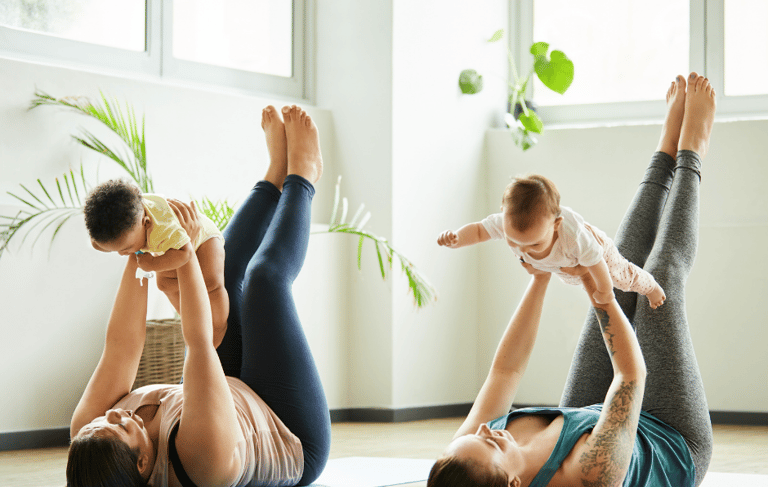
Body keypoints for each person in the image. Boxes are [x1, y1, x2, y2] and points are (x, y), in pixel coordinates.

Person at [428, 72, 715, 487]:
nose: (486, 430)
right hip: (671, 439)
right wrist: (600, 296)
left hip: (586, 413)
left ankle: (664, 150)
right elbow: (631, 375)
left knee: (616, 261)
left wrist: (541, 274)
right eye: (490, 443)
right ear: (513, 484)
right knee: (662, 275)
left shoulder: (468, 455)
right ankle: (692, 152)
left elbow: (505, 373)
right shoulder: (591, 472)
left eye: (477, 435)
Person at [66, 105, 330, 487]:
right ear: (143, 463)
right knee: (263, 282)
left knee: (224, 272)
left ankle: (274, 175)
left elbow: (122, 345)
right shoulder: (200, 461)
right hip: (287, 426)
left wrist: (139, 250)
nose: (110, 416)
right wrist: (185, 254)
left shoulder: (90, 439)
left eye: (100, 421)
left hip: (228, 387)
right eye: (119, 427)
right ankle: (303, 175)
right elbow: (198, 341)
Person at [437, 174, 666, 309]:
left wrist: (605, 292)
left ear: (555, 225)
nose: (522, 249)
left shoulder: (574, 236)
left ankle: (650, 286)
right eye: (513, 241)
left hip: (597, 254)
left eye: (534, 244)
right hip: (560, 266)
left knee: (622, 277)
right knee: (562, 273)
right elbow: (478, 231)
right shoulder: (507, 222)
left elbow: (597, 264)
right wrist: (457, 239)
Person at [84, 179, 229, 347]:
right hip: (171, 246)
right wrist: (102, 245)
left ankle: (219, 324)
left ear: (146, 223)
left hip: (203, 239)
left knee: (210, 282)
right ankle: (192, 320)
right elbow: (97, 243)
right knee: (164, 284)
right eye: (117, 250)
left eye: (127, 248)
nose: (123, 254)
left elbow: (185, 253)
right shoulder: (129, 217)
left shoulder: (161, 228)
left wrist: (152, 263)